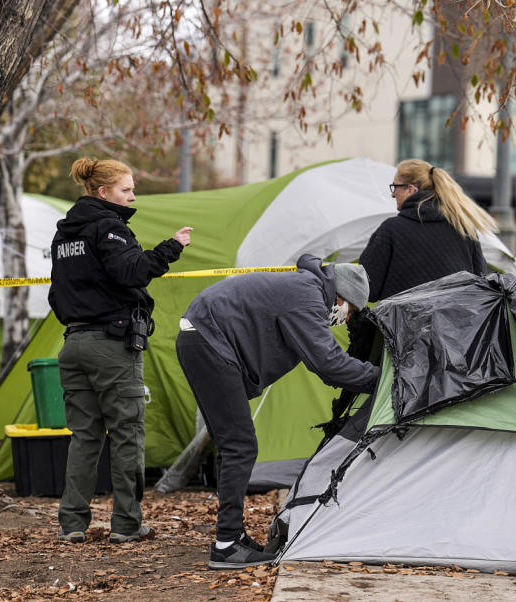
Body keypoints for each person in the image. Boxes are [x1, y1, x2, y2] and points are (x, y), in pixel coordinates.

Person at [176, 254, 380, 569]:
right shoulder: (307, 296)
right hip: (209, 342)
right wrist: (381, 380)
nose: (344, 318)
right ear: (341, 296)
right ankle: (226, 546)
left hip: (201, 337)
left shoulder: (305, 287)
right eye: (349, 310)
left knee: (233, 444)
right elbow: (329, 365)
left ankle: (233, 535)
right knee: (240, 445)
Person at [49, 157, 192, 545]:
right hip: (111, 345)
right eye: (127, 190)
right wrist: (171, 248)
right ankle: (126, 524)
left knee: (84, 437)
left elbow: (56, 294)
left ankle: (72, 524)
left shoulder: (65, 235)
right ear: (103, 192)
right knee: (127, 434)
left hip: (73, 343)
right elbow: (132, 271)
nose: (133, 196)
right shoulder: (109, 227)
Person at [359, 159, 498, 303]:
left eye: (395, 187)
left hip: (399, 324)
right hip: (454, 324)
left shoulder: (391, 230)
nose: (393, 194)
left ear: (411, 189)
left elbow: (366, 288)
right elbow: (479, 282)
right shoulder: (464, 229)